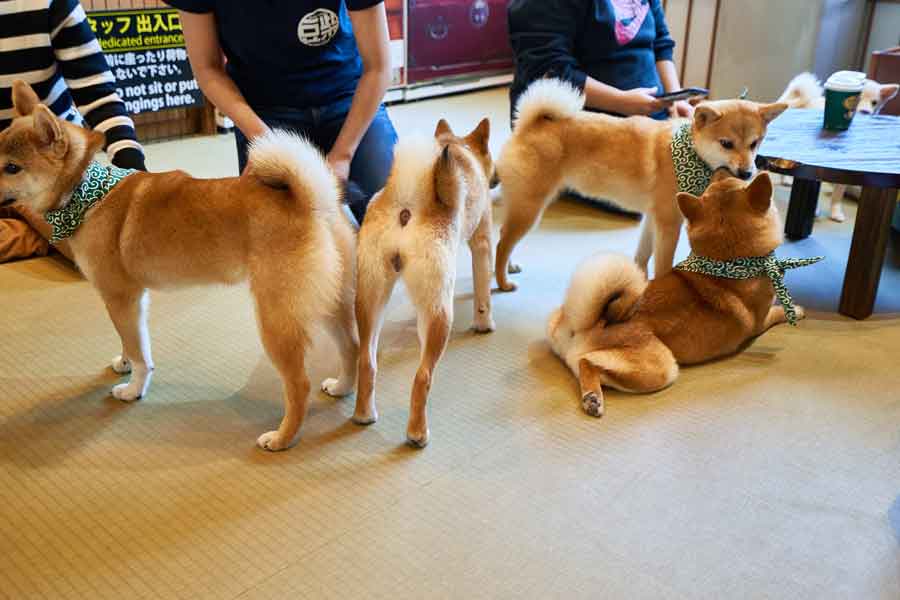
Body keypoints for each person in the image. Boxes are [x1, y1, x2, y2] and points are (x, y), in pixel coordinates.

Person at [166, 0, 398, 224]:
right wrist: (267, 142)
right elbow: (207, 69)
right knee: (274, 233)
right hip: (264, 113)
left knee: (396, 217)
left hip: (348, 97)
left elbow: (378, 66)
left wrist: (343, 156)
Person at [0, 0, 147, 262]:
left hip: (53, 171)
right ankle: (39, 235)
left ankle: (45, 232)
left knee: (109, 254)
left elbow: (97, 93)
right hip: (12, 175)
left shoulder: (51, 4)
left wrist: (133, 169)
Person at [508, 0, 694, 122]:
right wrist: (621, 102)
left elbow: (661, 43)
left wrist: (676, 97)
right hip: (578, 131)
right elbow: (549, 68)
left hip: (649, 119)